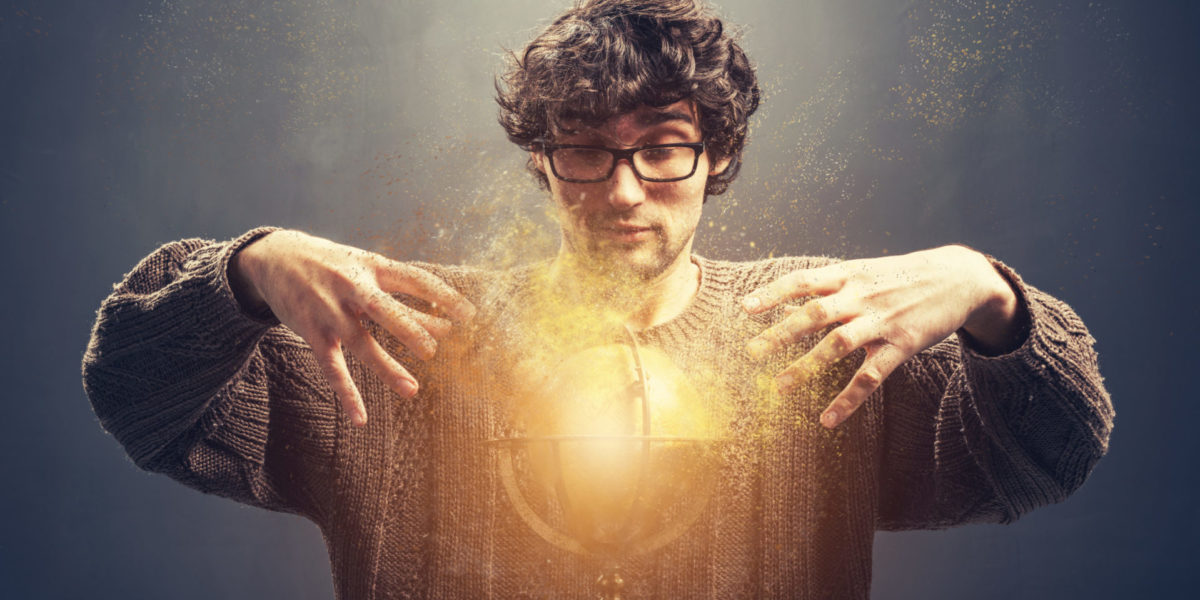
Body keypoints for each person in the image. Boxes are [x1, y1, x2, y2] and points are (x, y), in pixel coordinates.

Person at [82, 0, 1114, 597]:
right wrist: (245, 270)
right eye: (583, 148)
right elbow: (136, 393)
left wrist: (993, 298)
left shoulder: (821, 333)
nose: (621, 190)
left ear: (717, 158)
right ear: (541, 159)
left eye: (663, 147)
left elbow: (1054, 453)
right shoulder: (405, 330)